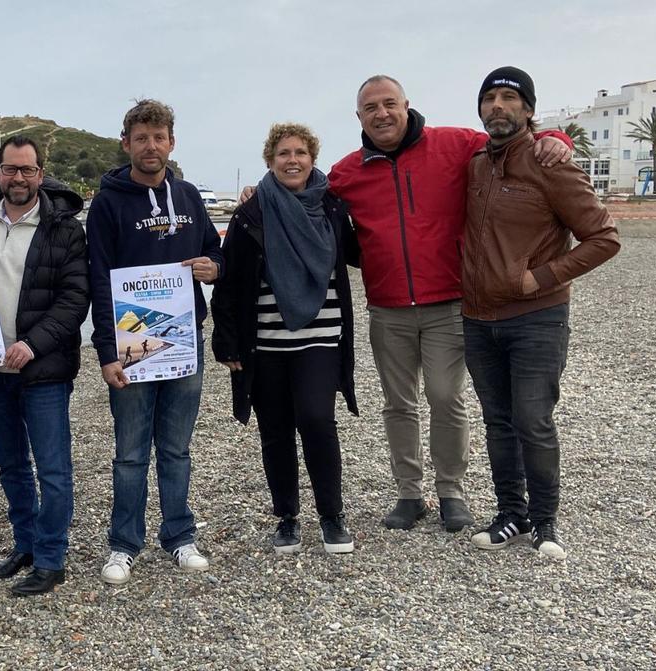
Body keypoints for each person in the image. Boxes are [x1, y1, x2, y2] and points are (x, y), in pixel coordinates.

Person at [242, 75, 573, 533]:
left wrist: (554, 136)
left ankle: (451, 492)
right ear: (359, 118)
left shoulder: (454, 144)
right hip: (388, 306)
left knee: (445, 396)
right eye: (370, 108)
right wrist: (258, 197)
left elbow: (509, 142)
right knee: (398, 404)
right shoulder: (347, 171)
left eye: (389, 104)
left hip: (448, 302)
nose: (381, 114)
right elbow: (307, 197)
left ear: (406, 106)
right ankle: (408, 493)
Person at [462, 67, 620, 560]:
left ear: (529, 110)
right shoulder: (475, 165)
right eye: (489, 98)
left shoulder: (551, 163)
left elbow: (604, 238)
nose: (498, 107)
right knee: (498, 421)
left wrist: (542, 278)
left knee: (533, 419)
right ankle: (512, 513)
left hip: (536, 319)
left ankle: (546, 521)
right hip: (478, 318)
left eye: (509, 98)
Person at [87, 99, 223, 584]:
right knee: (129, 452)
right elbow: (98, 279)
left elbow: (213, 248)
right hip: (131, 348)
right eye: (141, 137)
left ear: (171, 141)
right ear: (126, 144)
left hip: (186, 341)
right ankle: (124, 544)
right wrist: (106, 353)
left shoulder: (187, 196)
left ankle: (180, 536)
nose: (151, 146)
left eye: (159, 136)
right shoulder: (107, 204)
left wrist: (215, 267)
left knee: (177, 448)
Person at [211, 123, 359, 555]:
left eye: (300, 152)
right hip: (267, 340)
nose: (291, 160)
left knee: (316, 418)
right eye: (282, 153)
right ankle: (287, 518)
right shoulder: (251, 213)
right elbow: (230, 279)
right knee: (274, 430)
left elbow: (360, 251)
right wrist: (228, 341)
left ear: (312, 158)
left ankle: (331, 515)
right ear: (270, 161)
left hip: (321, 334)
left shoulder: (332, 207)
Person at [0, 135, 89, 596]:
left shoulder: (66, 229)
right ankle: (26, 544)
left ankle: (51, 558)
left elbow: (76, 299)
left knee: (53, 469)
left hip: (44, 369)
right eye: (10, 170)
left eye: (27, 170)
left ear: (41, 174)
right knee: (11, 464)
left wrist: (32, 344)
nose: (19, 178)